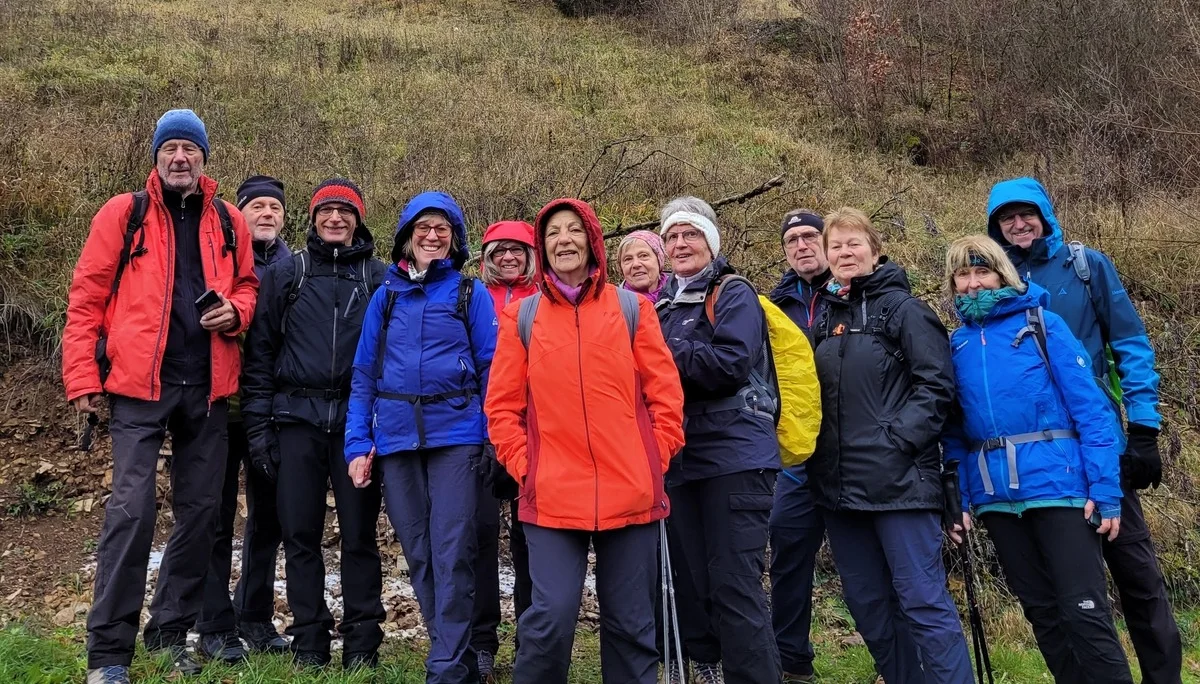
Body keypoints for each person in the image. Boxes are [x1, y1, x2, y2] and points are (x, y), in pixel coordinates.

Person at [62, 109, 259, 684]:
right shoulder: (124, 214)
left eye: (189, 149)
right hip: (138, 387)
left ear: (204, 157)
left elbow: (248, 285)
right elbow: (86, 297)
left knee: (202, 514)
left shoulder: (229, 221)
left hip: (208, 387)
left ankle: (170, 633)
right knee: (131, 510)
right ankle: (108, 654)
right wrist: (82, 379)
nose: (180, 157)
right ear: (156, 156)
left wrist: (236, 312)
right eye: (170, 148)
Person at [986, 177, 1182, 684]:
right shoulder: (994, 280)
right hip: (1046, 465)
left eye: (1026, 214)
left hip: (1101, 447)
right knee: (1072, 593)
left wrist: (1144, 428)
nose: (1018, 225)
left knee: (1137, 575)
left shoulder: (1085, 266)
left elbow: (1131, 344)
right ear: (994, 226)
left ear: (1044, 215)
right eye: (1006, 218)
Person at [485, 197, 685, 684]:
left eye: (574, 230)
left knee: (632, 625)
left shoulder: (631, 308)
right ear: (542, 247)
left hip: (630, 489)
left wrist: (651, 459)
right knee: (549, 619)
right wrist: (528, 467)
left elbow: (665, 397)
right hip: (551, 491)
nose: (564, 240)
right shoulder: (523, 316)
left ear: (592, 240)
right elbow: (502, 408)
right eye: (553, 233)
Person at [942, 235, 1134, 684]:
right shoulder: (957, 344)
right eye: (963, 275)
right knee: (1042, 613)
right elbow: (955, 433)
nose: (973, 284)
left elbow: (1092, 412)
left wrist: (1106, 490)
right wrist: (961, 499)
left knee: (1084, 611)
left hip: (1060, 489)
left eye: (982, 272)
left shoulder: (1042, 325)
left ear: (1002, 274)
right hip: (996, 498)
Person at [808, 207, 972, 684]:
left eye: (854, 243)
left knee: (923, 602)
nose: (845, 253)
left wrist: (897, 441)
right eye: (835, 246)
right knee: (868, 606)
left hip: (901, 485)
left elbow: (936, 386)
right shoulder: (825, 317)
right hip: (839, 491)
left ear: (875, 251)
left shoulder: (906, 310)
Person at [345, 191, 497, 684]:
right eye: (423, 228)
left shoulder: (470, 293)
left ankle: (445, 669)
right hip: (395, 439)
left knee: (452, 551)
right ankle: (456, 657)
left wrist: (493, 438)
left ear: (455, 239)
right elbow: (364, 374)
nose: (432, 236)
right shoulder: (385, 297)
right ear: (407, 238)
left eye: (442, 229)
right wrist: (357, 444)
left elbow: (492, 369)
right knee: (419, 552)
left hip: (457, 435)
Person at [241, 178, 388, 670]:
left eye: (345, 211)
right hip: (294, 421)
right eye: (326, 210)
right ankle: (309, 641)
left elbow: (392, 357)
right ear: (313, 218)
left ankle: (362, 643)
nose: (335, 219)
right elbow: (260, 356)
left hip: (355, 425)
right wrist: (259, 431)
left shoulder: (379, 278)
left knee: (359, 536)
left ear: (358, 220)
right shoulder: (289, 273)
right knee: (299, 536)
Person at [654, 196, 781, 684]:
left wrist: (662, 353)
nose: (680, 243)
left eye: (690, 234)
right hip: (681, 458)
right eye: (672, 236)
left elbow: (731, 362)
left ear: (710, 241)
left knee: (735, 585)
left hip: (735, 456)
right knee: (697, 584)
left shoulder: (733, 292)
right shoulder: (663, 304)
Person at [196, 175, 292, 662]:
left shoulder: (298, 269)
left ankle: (253, 615)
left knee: (269, 518)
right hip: (215, 407)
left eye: (275, 207)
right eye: (257, 206)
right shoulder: (215, 257)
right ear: (239, 213)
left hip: (272, 412)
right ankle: (213, 623)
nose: (266, 213)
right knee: (213, 517)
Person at [765, 209, 829, 683]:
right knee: (787, 552)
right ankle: (791, 661)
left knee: (871, 561)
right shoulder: (774, 305)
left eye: (810, 236)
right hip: (796, 456)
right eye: (792, 241)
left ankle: (900, 661)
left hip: (856, 451)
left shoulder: (856, 293)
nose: (802, 246)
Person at [475, 219, 538, 683]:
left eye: (517, 250)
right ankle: (481, 642)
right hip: (478, 433)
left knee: (530, 542)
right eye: (499, 251)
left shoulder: (545, 299)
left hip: (534, 434)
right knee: (479, 538)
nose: (509, 258)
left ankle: (531, 642)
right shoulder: (473, 297)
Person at [618, 229, 670, 302]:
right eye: (628, 259)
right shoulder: (616, 303)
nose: (636, 264)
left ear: (659, 259)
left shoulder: (680, 290)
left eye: (643, 256)